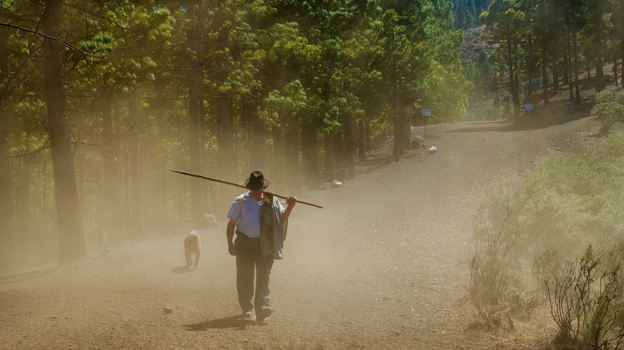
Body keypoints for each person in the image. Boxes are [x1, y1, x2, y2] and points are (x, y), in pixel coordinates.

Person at [226, 171, 296, 324]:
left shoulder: (271, 200)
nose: (260, 194)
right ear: (250, 189)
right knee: (245, 277)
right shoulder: (240, 201)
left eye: (261, 191)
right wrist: (230, 243)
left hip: (265, 245)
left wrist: (290, 207)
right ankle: (247, 310)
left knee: (264, 277)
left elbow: (281, 220)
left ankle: (262, 310)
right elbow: (231, 224)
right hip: (244, 244)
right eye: (256, 191)